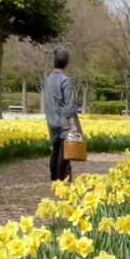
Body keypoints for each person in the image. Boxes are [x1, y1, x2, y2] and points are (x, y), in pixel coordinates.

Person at [44, 46, 82, 181]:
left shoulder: (48, 79)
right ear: (66, 62)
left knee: (55, 150)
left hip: (52, 119)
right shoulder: (66, 80)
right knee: (64, 154)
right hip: (64, 121)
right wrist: (73, 125)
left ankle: (54, 179)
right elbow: (69, 105)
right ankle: (61, 180)